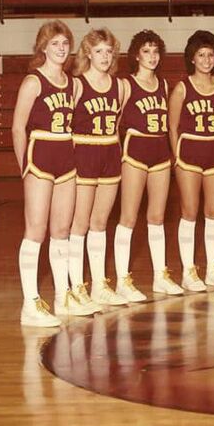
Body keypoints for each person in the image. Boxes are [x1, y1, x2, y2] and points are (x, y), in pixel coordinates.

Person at [12, 20, 78, 326]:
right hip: (40, 155)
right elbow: (17, 127)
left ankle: (62, 296)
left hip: (66, 155)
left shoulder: (73, 83)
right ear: (43, 47)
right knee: (35, 230)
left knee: (61, 231)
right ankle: (30, 303)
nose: (61, 48)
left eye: (65, 43)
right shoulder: (33, 82)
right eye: (55, 44)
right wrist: (24, 166)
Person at [114, 30, 182, 298]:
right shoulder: (126, 85)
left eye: (155, 52)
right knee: (128, 217)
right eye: (146, 52)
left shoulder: (164, 85)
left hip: (160, 152)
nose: (152, 57)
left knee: (156, 217)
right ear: (135, 55)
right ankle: (122, 280)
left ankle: (160, 276)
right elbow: (113, 121)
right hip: (135, 152)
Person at [67, 28, 131, 309]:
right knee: (79, 224)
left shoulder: (121, 87)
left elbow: (119, 123)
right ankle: (76, 287)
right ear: (88, 54)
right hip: (83, 152)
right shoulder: (77, 85)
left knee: (100, 224)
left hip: (109, 152)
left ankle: (98, 285)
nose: (105, 57)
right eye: (99, 51)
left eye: (109, 51)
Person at [168, 30, 214, 291]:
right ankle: (188, 271)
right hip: (189, 153)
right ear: (192, 59)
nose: (206, 60)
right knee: (189, 212)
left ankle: (213, 269)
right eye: (201, 55)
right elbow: (172, 127)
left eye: (210, 55)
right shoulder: (182, 88)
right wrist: (177, 158)